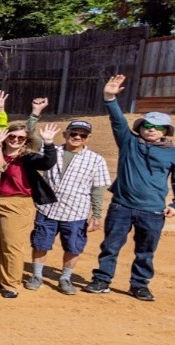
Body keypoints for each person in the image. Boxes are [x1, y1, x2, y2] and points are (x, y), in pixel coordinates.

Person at [85, 75, 175, 302]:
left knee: (145, 251)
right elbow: (117, 121)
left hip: (153, 210)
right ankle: (102, 280)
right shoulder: (129, 142)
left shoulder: (172, 152)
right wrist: (109, 97)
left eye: (157, 127)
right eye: (147, 125)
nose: (151, 129)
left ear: (165, 131)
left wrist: (174, 204)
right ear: (140, 127)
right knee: (111, 246)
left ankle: (139, 285)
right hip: (122, 206)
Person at [29, 119, 110, 295]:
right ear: (65, 135)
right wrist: (35, 115)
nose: (77, 137)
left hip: (76, 211)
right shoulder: (50, 150)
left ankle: (65, 278)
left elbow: (98, 190)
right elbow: (30, 137)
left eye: (82, 135)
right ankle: (36, 276)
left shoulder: (96, 160)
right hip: (47, 209)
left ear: (88, 138)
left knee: (73, 247)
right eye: (73, 133)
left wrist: (96, 215)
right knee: (40, 243)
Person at [0, 122, 60, 299]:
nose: (16, 140)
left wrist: (49, 144)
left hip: (17, 203)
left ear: (25, 140)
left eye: (21, 138)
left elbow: (47, 163)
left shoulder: (27, 158)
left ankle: (11, 284)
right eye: (12, 136)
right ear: (6, 137)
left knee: (12, 246)